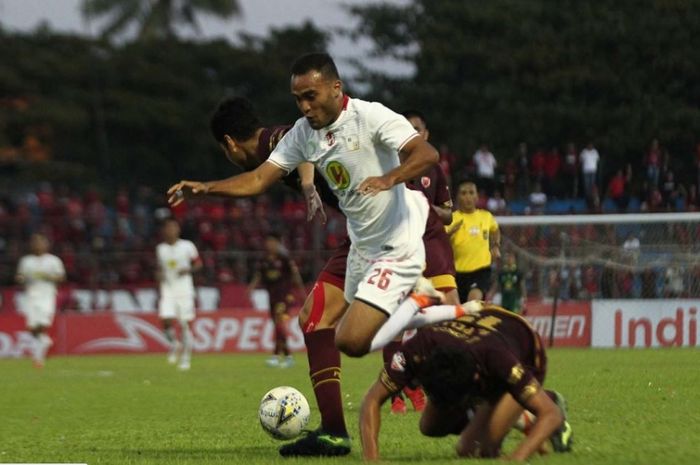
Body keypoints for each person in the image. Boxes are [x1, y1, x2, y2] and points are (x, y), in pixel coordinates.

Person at [174, 54, 465, 456]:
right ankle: (333, 433)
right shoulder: (300, 133)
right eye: (298, 100)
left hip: (410, 227)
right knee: (318, 321)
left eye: (310, 96)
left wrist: (387, 178)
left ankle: (513, 396)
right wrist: (206, 188)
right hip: (362, 239)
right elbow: (259, 179)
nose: (305, 106)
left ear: (335, 88)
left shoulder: (369, 116)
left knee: (455, 335)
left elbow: (426, 153)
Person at [359, 304, 573, 461]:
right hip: (480, 334)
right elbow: (371, 400)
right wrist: (372, 459)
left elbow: (551, 414)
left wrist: (515, 458)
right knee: (430, 427)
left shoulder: (501, 361)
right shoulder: (418, 349)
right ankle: (520, 416)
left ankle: (538, 400)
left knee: (482, 450)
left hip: (522, 345)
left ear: (476, 380)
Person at [384, 109, 460, 414]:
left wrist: (423, 204)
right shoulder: (387, 169)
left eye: (416, 129)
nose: (411, 135)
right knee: (395, 325)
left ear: (424, 136)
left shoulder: (435, 170)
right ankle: (396, 391)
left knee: (449, 315)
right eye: (407, 130)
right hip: (400, 246)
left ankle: (428, 382)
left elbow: (448, 213)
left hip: (432, 244)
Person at [248, 233, 306, 368]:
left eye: (272, 242)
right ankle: (282, 357)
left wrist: (302, 292)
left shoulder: (284, 259)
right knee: (277, 325)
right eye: (268, 242)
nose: (270, 245)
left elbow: (295, 275)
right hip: (272, 297)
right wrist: (251, 287)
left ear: (278, 244)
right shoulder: (264, 260)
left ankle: (281, 355)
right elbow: (259, 275)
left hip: (285, 297)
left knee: (279, 323)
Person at [156, 218, 202, 371]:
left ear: (178, 230)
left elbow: (198, 264)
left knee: (184, 324)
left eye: (173, 228)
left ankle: (185, 359)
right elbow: (159, 268)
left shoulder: (187, 246)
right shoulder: (160, 249)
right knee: (166, 321)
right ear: (164, 231)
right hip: (167, 290)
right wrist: (159, 275)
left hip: (184, 290)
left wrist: (188, 270)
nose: (171, 231)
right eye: (168, 228)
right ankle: (175, 344)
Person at [15, 233, 66, 368]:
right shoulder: (26, 261)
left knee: (42, 323)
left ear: (46, 245)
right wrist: (21, 279)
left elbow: (61, 278)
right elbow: (20, 276)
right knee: (32, 326)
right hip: (31, 295)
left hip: (47, 295)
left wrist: (47, 276)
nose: (37, 245)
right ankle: (44, 341)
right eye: (35, 243)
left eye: (40, 242)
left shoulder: (53, 261)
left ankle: (39, 356)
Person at [447, 180, 501, 303]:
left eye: (471, 193)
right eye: (464, 193)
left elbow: (495, 230)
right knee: (458, 310)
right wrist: (449, 234)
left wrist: (495, 245)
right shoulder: (451, 219)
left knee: (473, 301)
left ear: (477, 197)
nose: (468, 197)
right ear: (458, 197)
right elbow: (439, 242)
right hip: (457, 273)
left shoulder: (486, 216)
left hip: (481, 271)